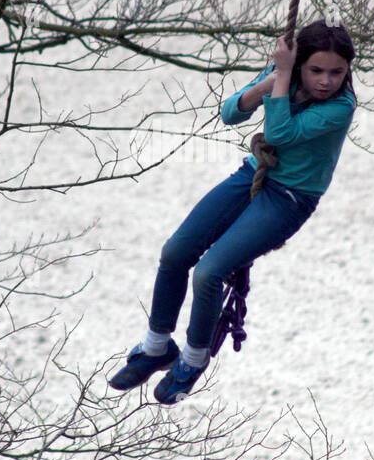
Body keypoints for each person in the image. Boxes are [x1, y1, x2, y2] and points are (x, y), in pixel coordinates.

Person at [109, 20, 357, 404]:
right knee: (175, 253)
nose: (326, 81)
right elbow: (230, 113)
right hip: (251, 176)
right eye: (316, 70)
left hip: (289, 198)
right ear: (300, 65)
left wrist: (285, 78)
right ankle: (157, 346)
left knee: (210, 272)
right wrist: (271, 80)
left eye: (336, 72)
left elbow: (279, 136)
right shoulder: (283, 76)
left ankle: (193, 358)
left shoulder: (341, 107)